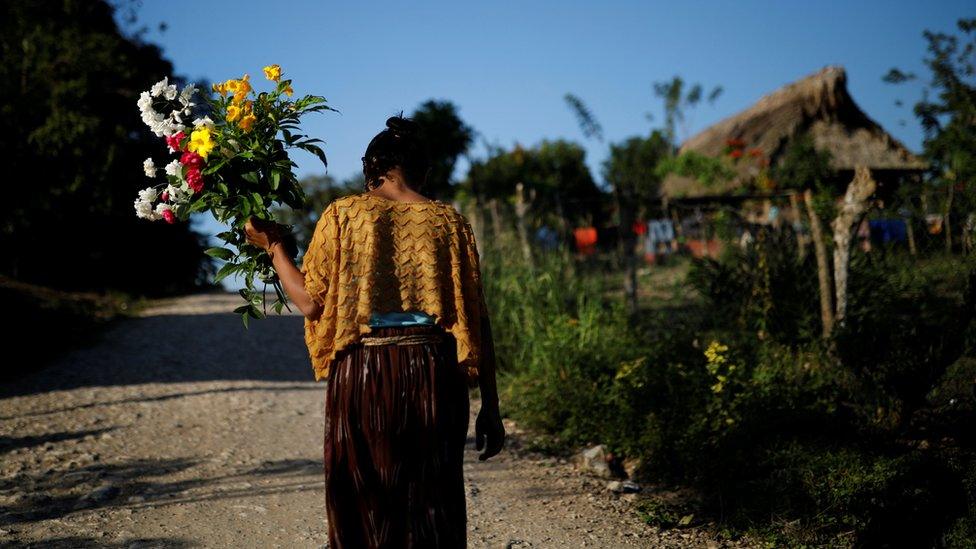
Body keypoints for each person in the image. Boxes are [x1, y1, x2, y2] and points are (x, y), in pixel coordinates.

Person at [243, 113, 505, 548]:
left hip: (365, 373)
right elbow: (477, 321)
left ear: (372, 170)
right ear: (423, 172)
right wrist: (491, 407)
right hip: (436, 375)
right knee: (431, 501)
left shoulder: (344, 214)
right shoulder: (449, 222)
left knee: (364, 500)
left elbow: (308, 302)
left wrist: (274, 248)